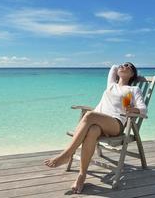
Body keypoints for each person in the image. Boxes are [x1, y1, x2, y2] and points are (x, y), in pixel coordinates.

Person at [44, 62, 147, 193]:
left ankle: (67, 154)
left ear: (132, 74)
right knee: (92, 131)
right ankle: (81, 175)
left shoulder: (133, 90)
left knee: (89, 115)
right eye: (123, 64)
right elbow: (114, 67)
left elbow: (143, 109)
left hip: (116, 124)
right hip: (99, 123)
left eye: (128, 66)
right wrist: (121, 68)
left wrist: (133, 109)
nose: (123, 66)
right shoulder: (111, 85)